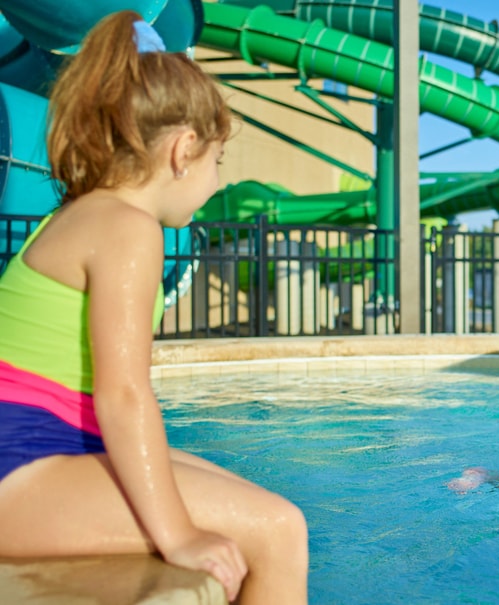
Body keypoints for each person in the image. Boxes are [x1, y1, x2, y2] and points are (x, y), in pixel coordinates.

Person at [0, 12, 307, 604]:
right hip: (18, 470)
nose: (217, 183)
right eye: (218, 162)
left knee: (247, 498)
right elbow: (124, 395)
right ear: (183, 149)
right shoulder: (127, 228)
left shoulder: (82, 213)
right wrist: (179, 534)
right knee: (279, 528)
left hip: (35, 451)